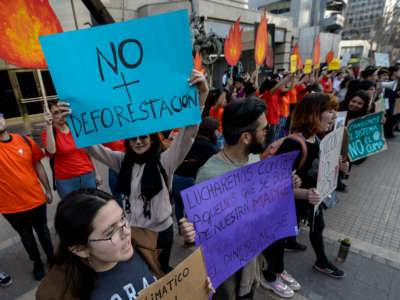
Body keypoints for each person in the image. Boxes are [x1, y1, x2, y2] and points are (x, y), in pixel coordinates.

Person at [82, 69, 209, 273]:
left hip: (160, 232)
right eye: (134, 138)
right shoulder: (121, 161)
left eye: (144, 137)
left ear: (152, 139)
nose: (139, 141)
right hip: (132, 232)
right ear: (128, 141)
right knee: (141, 272)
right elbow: (93, 149)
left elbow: (187, 135)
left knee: (160, 270)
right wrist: (76, 118)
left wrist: (201, 97)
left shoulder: (165, 161)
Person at [36, 188, 214, 300]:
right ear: (80, 249)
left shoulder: (142, 247)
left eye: (122, 219)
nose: (126, 231)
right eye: (110, 231)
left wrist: (194, 289)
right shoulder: (61, 293)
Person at [196, 97, 269, 299]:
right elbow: (199, 230)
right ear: (246, 137)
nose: (266, 132)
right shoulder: (209, 175)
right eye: (263, 129)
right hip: (225, 271)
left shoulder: (253, 158)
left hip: (251, 261)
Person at [274, 93, 345, 279]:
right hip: (291, 205)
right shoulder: (292, 144)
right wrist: (304, 194)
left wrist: (338, 166)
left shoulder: (318, 139)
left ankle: (315, 257)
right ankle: (274, 272)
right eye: (330, 111)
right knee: (280, 238)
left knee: (317, 226)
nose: (334, 116)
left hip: (309, 202)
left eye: (335, 111)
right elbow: (275, 186)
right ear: (314, 113)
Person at [0, 112, 54, 281]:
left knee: (44, 232)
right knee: (26, 237)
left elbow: (38, 166)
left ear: (4, 118)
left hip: (36, 200)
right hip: (11, 207)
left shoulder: (25, 141)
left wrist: (48, 190)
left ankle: (52, 258)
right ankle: (37, 262)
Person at [42, 102, 101, 199]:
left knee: (93, 208)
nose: (61, 115)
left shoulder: (77, 127)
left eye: (62, 111)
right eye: (56, 113)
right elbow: (51, 151)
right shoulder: (48, 133)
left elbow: (89, 152)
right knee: (73, 210)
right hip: (67, 180)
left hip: (87, 175)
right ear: (50, 115)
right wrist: (48, 125)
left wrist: (97, 173)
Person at [172, 116, 219, 225]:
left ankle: (180, 227)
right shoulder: (209, 147)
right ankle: (189, 231)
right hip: (191, 180)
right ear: (211, 130)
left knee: (178, 205)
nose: (218, 132)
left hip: (176, 177)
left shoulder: (190, 140)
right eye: (217, 129)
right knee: (192, 209)